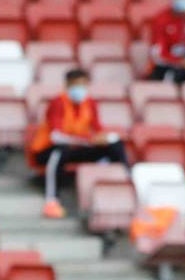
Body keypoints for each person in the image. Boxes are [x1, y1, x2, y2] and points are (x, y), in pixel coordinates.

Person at [26, 68, 130, 220]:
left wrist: (106, 138)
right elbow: (56, 136)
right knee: (59, 151)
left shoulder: (90, 103)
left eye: (83, 85)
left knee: (115, 145)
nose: (79, 89)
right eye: (76, 85)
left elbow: (97, 128)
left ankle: (124, 185)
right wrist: (88, 140)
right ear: (67, 85)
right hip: (48, 150)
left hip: (77, 148)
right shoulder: (58, 103)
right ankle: (51, 200)